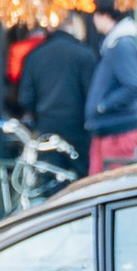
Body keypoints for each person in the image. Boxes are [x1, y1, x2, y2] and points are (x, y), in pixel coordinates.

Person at [14, 10, 94, 166]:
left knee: (50, 181)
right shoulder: (84, 54)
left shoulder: (34, 55)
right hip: (78, 129)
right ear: (72, 24)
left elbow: (25, 98)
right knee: (80, 182)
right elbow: (91, 95)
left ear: (49, 27)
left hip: (47, 128)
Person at [84, 0, 137, 174]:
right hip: (109, 129)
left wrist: (104, 106)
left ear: (105, 15)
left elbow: (133, 86)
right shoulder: (114, 44)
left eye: (95, 15)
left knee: (114, 188)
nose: (93, 21)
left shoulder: (121, 45)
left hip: (118, 132)